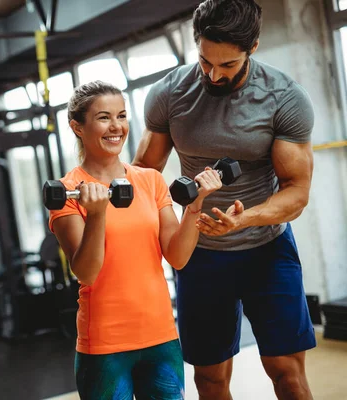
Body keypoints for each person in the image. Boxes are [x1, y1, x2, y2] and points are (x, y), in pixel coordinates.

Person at [132, 1, 316, 399]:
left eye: (227, 65)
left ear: (253, 46)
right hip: (200, 254)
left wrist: (244, 219)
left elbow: (297, 193)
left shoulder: (283, 98)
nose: (213, 74)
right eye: (204, 61)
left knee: (287, 373)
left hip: (266, 249)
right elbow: (145, 173)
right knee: (210, 378)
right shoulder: (169, 94)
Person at [49, 80, 222, 400]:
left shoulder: (149, 180)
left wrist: (195, 205)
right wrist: (97, 214)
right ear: (77, 127)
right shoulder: (68, 192)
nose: (116, 127)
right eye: (103, 117)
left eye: (122, 115)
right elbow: (86, 272)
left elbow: (178, 256)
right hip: (104, 346)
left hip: (161, 338)